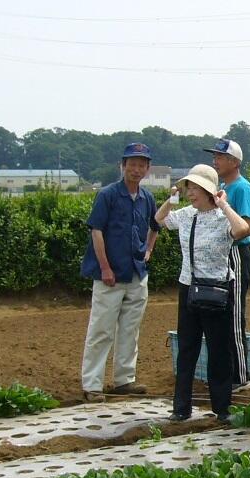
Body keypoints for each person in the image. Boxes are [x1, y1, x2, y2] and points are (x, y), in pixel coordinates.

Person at [156, 164, 250, 422]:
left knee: (219, 351)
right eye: (189, 187)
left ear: (210, 191)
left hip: (218, 288)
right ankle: (181, 408)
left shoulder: (223, 219)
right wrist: (172, 197)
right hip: (188, 286)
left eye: (196, 188)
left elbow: (243, 230)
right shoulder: (186, 215)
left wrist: (224, 206)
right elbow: (160, 219)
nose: (191, 193)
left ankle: (222, 409)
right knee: (187, 349)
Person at [79, 142, 159, 403]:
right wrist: (104, 267)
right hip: (110, 275)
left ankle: (125, 379)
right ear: (122, 166)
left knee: (130, 329)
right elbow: (96, 231)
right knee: (101, 329)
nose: (136, 169)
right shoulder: (108, 195)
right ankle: (92, 383)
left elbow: (154, 225)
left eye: (141, 165)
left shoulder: (147, 197)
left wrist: (148, 251)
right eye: (132, 164)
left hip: (137, 273)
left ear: (147, 169)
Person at [204, 139, 250, 392]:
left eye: (220, 157)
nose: (215, 160)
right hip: (224, 255)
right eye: (215, 156)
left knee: (235, 316)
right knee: (223, 315)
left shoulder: (242, 188)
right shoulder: (223, 186)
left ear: (234, 162)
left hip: (237, 252)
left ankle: (241, 376)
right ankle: (228, 371)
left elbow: (248, 226)